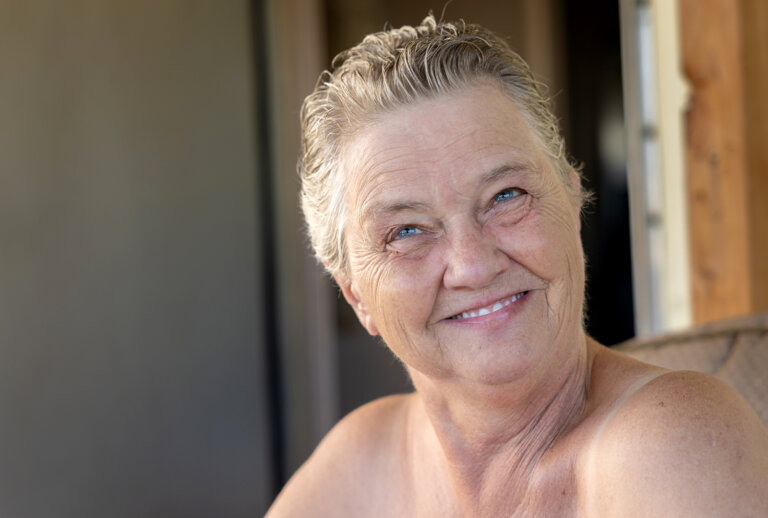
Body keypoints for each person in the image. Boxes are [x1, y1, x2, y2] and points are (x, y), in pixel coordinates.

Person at [267, 15, 768, 517]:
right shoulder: (360, 463)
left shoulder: (674, 442)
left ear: (572, 204)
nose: (474, 265)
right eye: (406, 231)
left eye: (506, 196)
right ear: (356, 296)